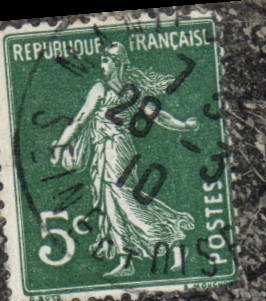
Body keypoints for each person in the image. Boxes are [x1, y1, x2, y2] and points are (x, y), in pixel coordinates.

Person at [49, 41, 199, 278]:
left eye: (107, 61)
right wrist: (61, 143)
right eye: (102, 61)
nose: (103, 65)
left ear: (119, 64)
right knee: (110, 203)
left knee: (124, 198)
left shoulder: (116, 90)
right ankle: (126, 259)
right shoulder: (118, 89)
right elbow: (80, 119)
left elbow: (158, 115)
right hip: (105, 149)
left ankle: (172, 238)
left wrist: (184, 125)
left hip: (116, 150)